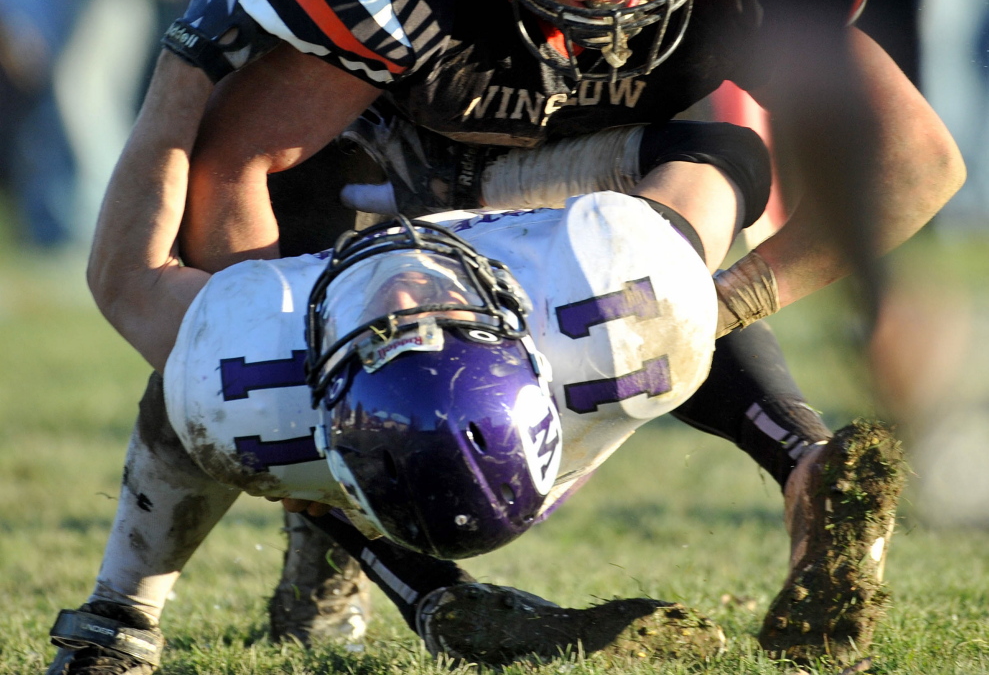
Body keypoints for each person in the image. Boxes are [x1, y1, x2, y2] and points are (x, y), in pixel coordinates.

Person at [87, 0, 958, 666]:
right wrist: (283, 334)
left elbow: (913, 161)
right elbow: (235, 173)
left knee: (681, 211)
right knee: (242, 358)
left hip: (595, 185)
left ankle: (129, 616)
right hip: (380, 173)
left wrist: (710, 308)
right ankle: (796, 456)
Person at [47, 49, 900, 673]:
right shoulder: (595, 295)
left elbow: (137, 269)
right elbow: (729, 155)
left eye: (388, 326)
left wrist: (185, 61)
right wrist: (705, 293)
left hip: (357, 405)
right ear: (515, 338)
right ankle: (799, 456)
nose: (403, 298)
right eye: (432, 319)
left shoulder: (257, 392)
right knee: (665, 301)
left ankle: (130, 617)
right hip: (572, 293)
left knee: (236, 373)